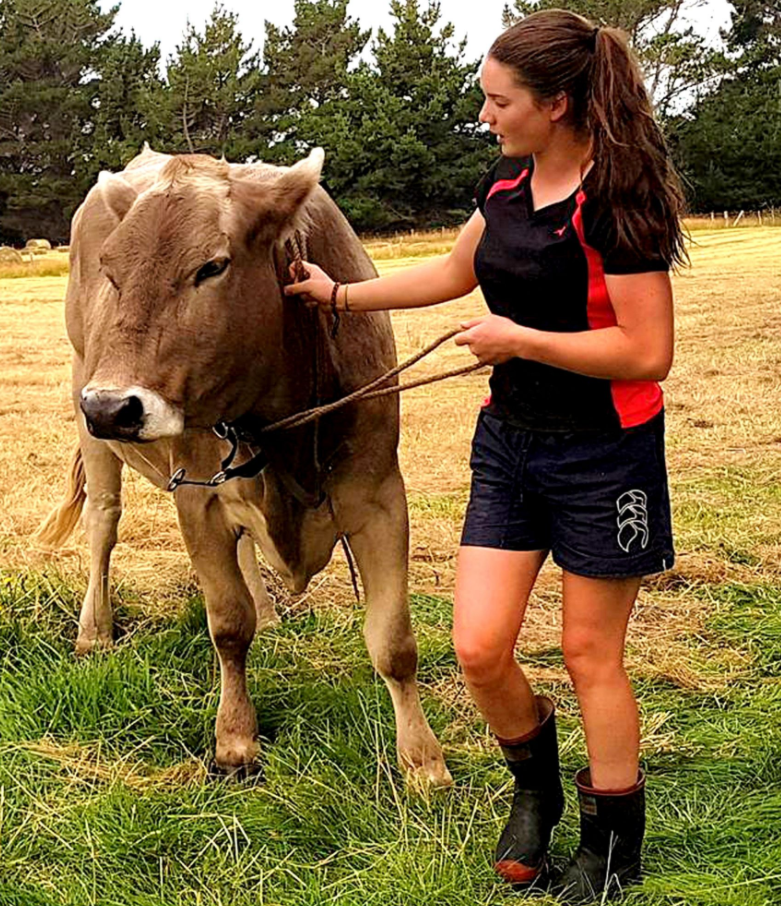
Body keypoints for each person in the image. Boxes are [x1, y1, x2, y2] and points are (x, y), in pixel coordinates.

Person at [284, 9, 686, 902]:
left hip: (606, 453)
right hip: (509, 446)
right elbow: (450, 272)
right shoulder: (505, 184)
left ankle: (612, 843)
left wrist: (521, 340)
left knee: (588, 653)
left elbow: (646, 351)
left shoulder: (617, 201)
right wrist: (337, 294)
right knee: (476, 647)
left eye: (498, 101)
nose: (483, 115)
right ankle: (535, 791)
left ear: (556, 104)